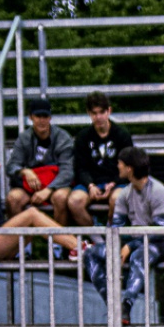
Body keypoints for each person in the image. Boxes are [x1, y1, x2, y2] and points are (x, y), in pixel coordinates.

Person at [89, 147, 164, 320]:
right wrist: (111, 246)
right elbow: (116, 227)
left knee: (139, 254)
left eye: (120, 163)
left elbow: (161, 230)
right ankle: (112, 305)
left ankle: (126, 305)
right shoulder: (125, 193)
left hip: (162, 242)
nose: (117, 166)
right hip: (136, 240)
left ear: (129, 168)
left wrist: (129, 245)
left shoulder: (158, 190)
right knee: (91, 253)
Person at [0, 148, 81, 261]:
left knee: (31, 223)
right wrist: (14, 224)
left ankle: (76, 247)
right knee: (31, 214)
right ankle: (79, 246)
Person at [65, 91, 133, 227]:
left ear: (109, 111)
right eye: (94, 113)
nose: (98, 117)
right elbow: (80, 167)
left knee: (117, 199)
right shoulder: (83, 136)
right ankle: (96, 235)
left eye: (102, 112)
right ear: (89, 113)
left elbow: (129, 166)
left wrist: (113, 183)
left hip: (117, 183)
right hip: (90, 184)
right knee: (74, 201)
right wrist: (90, 185)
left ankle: (110, 233)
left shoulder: (122, 134)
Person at [6, 101, 76, 221]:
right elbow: (11, 166)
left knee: (60, 197)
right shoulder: (24, 138)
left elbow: (68, 170)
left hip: (57, 185)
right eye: (38, 116)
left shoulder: (63, 137)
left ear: (50, 117)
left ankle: (57, 234)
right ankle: (21, 234)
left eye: (45, 116)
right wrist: (25, 171)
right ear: (31, 117)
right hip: (30, 187)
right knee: (13, 198)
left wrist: (49, 189)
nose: (42, 120)